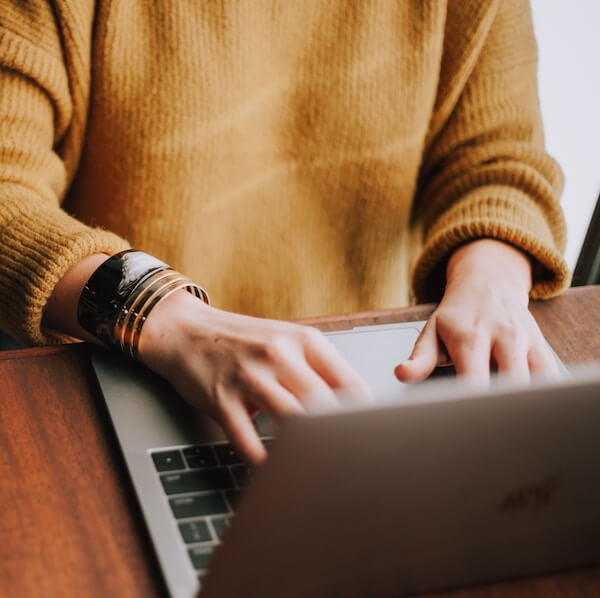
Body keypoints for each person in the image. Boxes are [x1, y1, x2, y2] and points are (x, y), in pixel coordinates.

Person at [0, 0, 570, 465]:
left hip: (381, 377)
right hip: (130, 373)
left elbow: (498, 159)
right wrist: (168, 319)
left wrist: (490, 279)